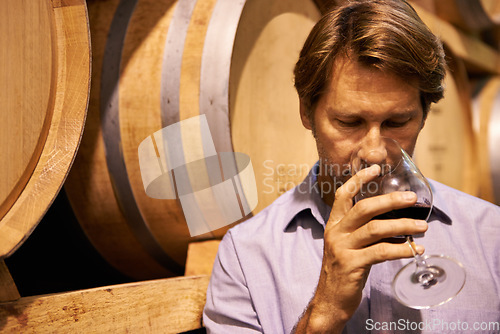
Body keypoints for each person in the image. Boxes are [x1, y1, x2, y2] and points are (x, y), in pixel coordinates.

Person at [203, 0, 500, 333]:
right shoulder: (245, 257)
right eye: (349, 121)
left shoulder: (491, 235)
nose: (374, 152)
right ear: (306, 111)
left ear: (424, 115)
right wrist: (325, 309)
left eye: (398, 121)